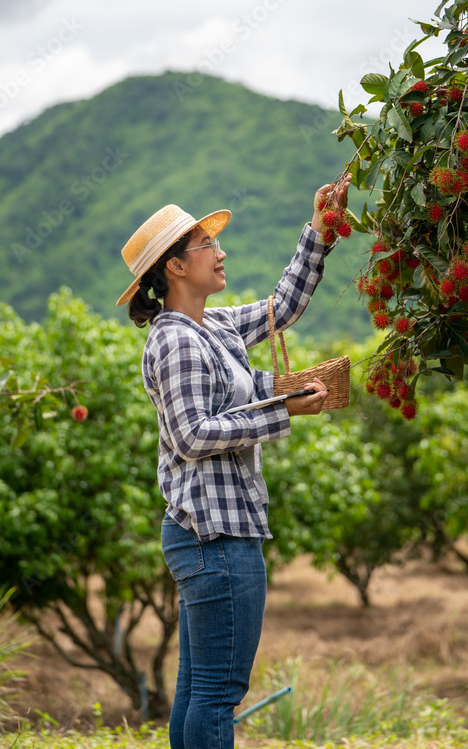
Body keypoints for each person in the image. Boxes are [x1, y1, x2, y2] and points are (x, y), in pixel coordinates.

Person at [116, 176, 350, 749]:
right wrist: (281, 412)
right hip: (212, 536)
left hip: (218, 532)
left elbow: (282, 307)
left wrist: (320, 230)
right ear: (174, 266)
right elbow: (191, 434)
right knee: (218, 693)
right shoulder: (174, 341)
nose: (221, 254)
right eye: (206, 247)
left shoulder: (212, 327)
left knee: (200, 688)